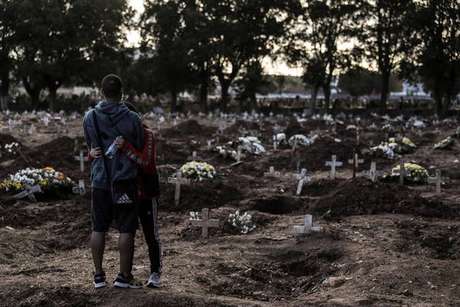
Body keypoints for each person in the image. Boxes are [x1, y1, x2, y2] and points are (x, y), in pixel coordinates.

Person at [83, 74, 144, 289]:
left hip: (100, 179)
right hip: (125, 179)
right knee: (126, 229)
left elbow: (90, 147)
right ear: (122, 93)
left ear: (101, 92)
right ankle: (123, 277)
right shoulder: (133, 118)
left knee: (98, 227)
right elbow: (139, 145)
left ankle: (98, 276)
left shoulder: (89, 117)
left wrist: (93, 153)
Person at [114, 110, 162, 288]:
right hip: (127, 191)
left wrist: (126, 147)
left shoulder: (146, 134)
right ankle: (126, 274)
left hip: (146, 192)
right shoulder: (117, 136)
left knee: (151, 234)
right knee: (127, 233)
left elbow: (147, 164)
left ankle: (155, 271)